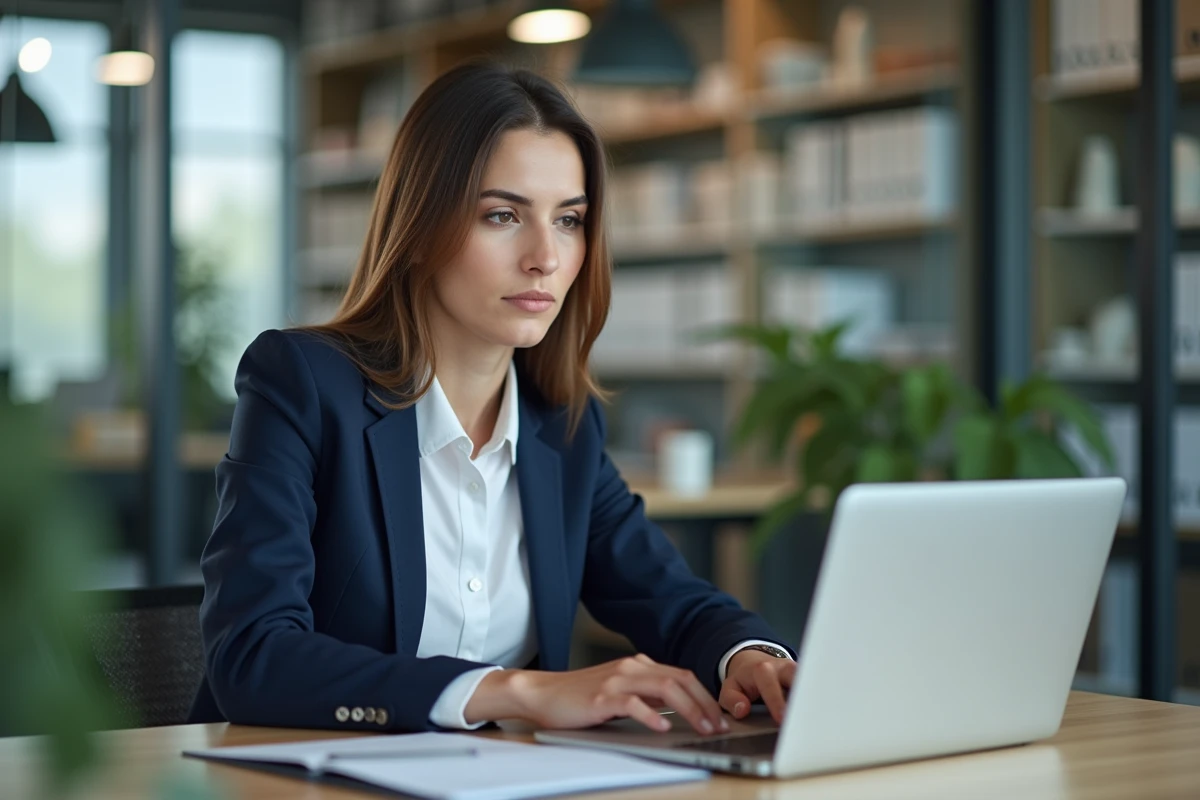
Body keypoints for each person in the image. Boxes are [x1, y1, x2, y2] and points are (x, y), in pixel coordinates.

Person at [188, 62, 796, 736]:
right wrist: (516, 692)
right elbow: (252, 657)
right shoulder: (302, 383)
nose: (545, 257)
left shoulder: (562, 427)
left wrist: (753, 657)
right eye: (502, 215)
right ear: (420, 228)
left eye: (569, 220)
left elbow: (674, 601)